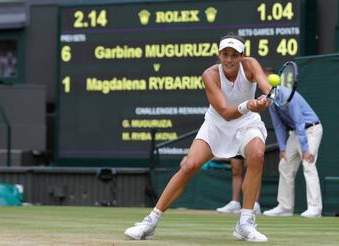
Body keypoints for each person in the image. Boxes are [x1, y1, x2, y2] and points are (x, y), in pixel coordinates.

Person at [124, 33, 272, 242]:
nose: (229, 59)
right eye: (225, 54)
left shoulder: (250, 65)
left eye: (234, 55)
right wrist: (249, 104)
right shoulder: (209, 75)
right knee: (189, 166)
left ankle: (245, 223)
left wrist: (268, 97)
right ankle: (150, 222)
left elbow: (266, 87)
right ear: (219, 54)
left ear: (242, 56)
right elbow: (225, 112)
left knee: (257, 154)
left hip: (247, 123)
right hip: (217, 123)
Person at [263, 85, 323, 218]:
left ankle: (315, 208)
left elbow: (299, 122)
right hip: (296, 133)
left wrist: (305, 149)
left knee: (308, 165)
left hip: (311, 130)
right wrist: (283, 148)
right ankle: (285, 207)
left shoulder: (289, 96)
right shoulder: (271, 101)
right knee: (284, 166)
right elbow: (278, 125)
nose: (263, 88)